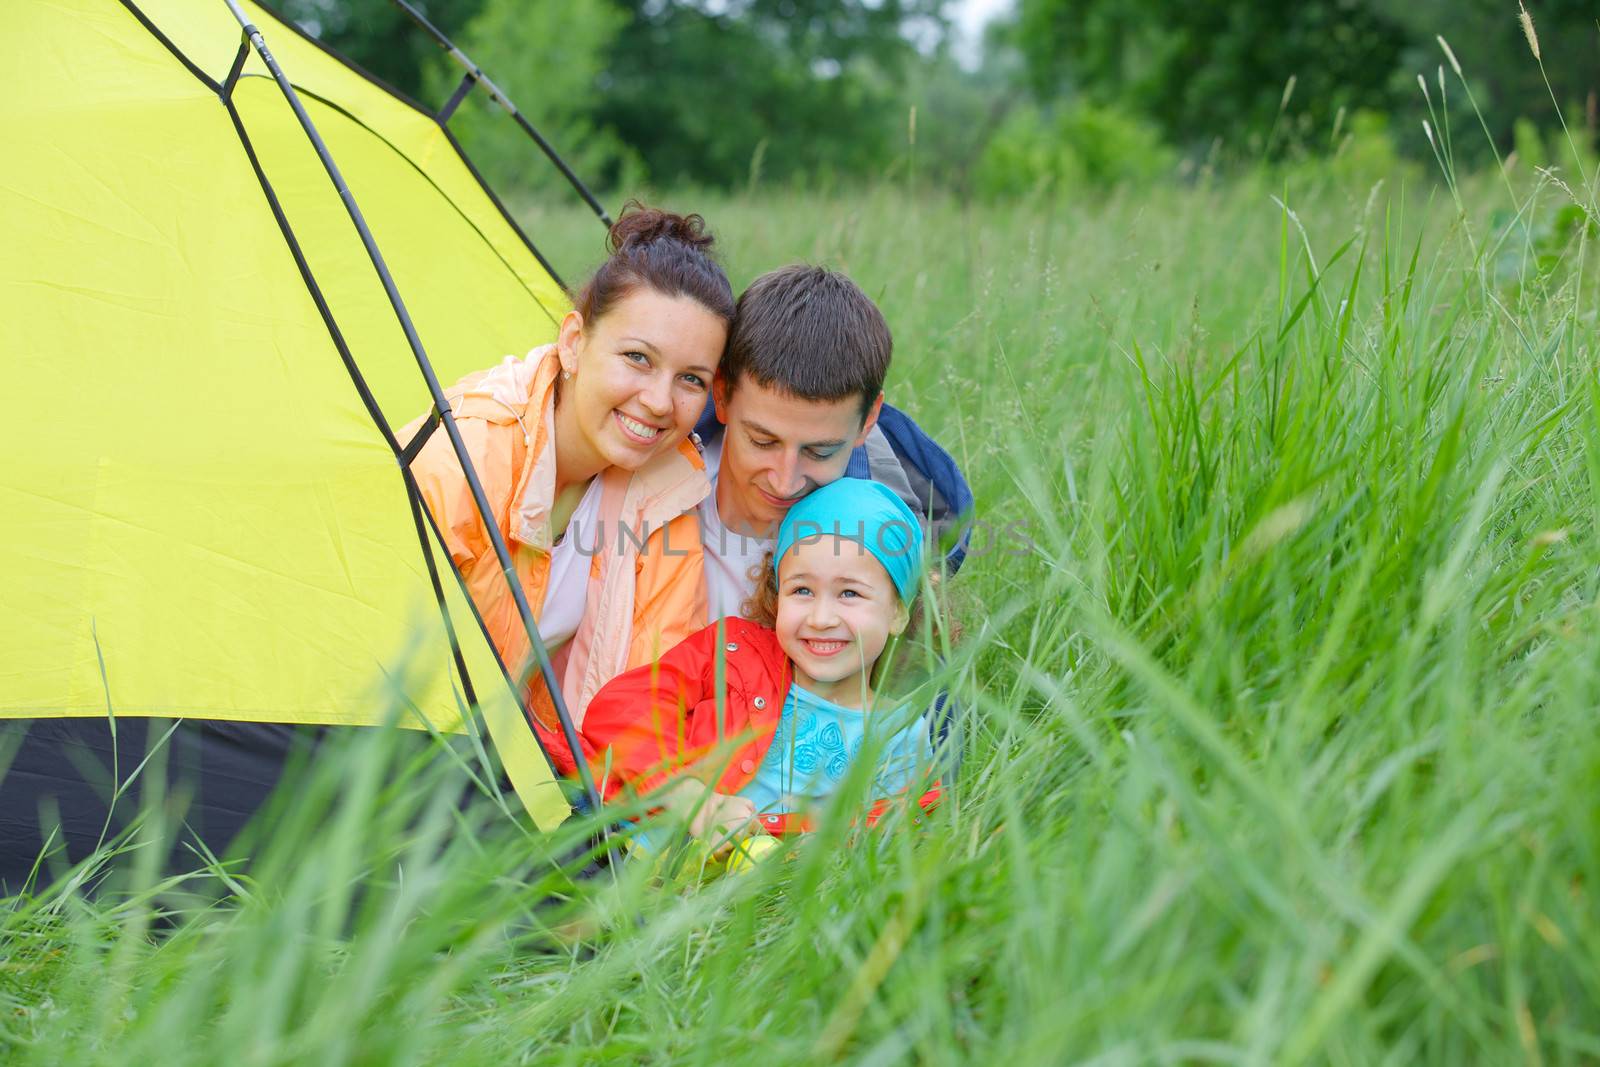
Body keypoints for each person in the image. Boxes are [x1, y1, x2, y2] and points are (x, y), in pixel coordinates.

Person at [404, 203, 733, 772]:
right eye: (637, 358)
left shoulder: (667, 489)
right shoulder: (465, 457)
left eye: (690, 380)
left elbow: (651, 695)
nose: (659, 402)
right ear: (575, 342)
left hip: (527, 765)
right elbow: (380, 663)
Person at [578, 478, 944, 851]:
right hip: (622, 853)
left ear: (898, 612)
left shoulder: (898, 734)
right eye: (802, 590)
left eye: (849, 593)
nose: (820, 617)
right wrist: (690, 796)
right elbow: (618, 710)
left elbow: (900, 844)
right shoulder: (733, 653)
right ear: (777, 593)